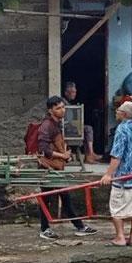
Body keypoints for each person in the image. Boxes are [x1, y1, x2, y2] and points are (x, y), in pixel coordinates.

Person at [36, 96, 98, 240]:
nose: (62, 110)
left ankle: (79, 226)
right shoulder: (47, 125)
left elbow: (56, 145)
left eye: (63, 107)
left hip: (57, 168)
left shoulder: (57, 124)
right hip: (47, 168)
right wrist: (63, 156)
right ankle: (45, 229)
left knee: (65, 196)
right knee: (46, 198)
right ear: (50, 110)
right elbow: (44, 149)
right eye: (58, 108)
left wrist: (65, 156)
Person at [101, 101, 132, 247]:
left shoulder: (122, 130)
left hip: (125, 177)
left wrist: (108, 174)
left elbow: (117, 155)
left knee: (116, 209)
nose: (116, 112)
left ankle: (120, 237)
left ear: (124, 114)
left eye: (118, 110)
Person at [63, 82, 100, 164]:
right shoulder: (63, 102)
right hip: (66, 129)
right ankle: (90, 153)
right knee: (88, 129)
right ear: (66, 93)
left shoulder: (69, 102)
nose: (74, 94)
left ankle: (89, 155)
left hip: (70, 127)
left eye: (75, 92)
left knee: (87, 129)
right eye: (72, 92)